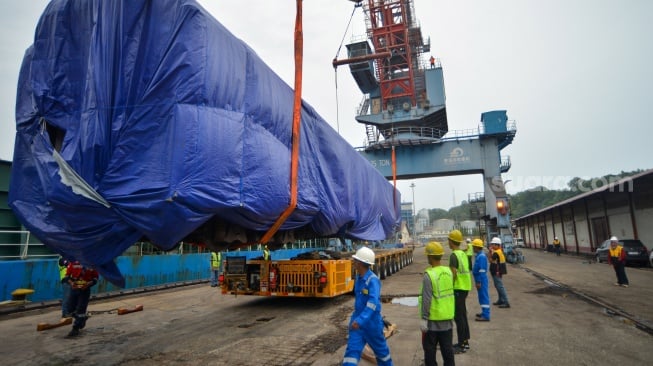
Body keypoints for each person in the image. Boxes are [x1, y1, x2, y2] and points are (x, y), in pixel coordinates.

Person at [343, 247, 393, 366]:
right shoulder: (359, 278)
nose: (354, 262)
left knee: (382, 354)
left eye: (355, 261)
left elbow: (373, 303)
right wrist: (356, 320)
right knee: (351, 353)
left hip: (371, 324)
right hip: (357, 322)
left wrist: (361, 320)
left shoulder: (373, 280)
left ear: (360, 263)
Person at [419, 241, 455, 366]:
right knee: (448, 352)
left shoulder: (429, 275)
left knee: (430, 353)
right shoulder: (449, 272)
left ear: (429, 256)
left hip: (432, 322)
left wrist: (424, 318)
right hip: (448, 320)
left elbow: (427, 299)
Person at [447, 229, 471, 354]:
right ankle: (465, 342)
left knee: (458, 317)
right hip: (465, 287)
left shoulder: (453, 255)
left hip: (458, 288)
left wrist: (448, 288)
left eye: (448, 240)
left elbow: (453, 274)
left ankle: (462, 344)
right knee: (462, 316)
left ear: (452, 241)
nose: (448, 242)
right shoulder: (462, 253)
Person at [64, 260, 99, 337]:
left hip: (85, 290)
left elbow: (95, 278)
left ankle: (75, 328)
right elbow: (67, 276)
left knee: (81, 309)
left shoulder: (92, 264)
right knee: (69, 308)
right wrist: (71, 283)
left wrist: (88, 284)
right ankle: (82, 319)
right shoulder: (73, 263)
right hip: (74, 289)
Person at [471, 239, 490, 321]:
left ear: (477, 247)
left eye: (473, 246)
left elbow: (481, 270)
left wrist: (479, 281)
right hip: (480, 279)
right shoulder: (479, 255)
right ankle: (484, 312)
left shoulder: (481, 256)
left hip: (481, 279)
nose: (472, 248)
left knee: (483, 296)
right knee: (481, 296)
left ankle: (486, 315)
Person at [489, 237, 510, 308]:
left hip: (496, 272)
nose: (492, 246)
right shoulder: (500, 251)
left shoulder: (496, 253)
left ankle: (506, 302)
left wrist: (490, 252)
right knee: (498, 286)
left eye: (493, 244)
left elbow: (490, 260)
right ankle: (500, 300)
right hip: (499, 271)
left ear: (497, 245)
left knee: (500, 287)